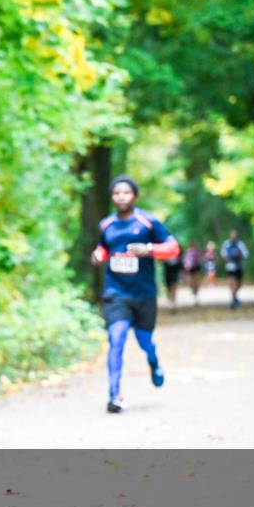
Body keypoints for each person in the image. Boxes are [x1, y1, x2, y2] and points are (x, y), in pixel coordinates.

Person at [91, 177, 180, 413]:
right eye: (116, 193)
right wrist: (99, 255)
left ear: (135, 196)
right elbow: (102, 247)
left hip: (144, 294)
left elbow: (173, 248)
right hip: (116, 293)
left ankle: (153, 361)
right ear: (112, 197)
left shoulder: (148, 222)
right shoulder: (106, 225)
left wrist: (148, 249)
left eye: (126, 192)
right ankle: (115, 395)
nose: (121, 196)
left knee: (145, 341)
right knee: (116, 339)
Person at [221, 229, 249, 308]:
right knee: (231, 282)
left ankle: (235, 296)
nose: (233, 236)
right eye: (232, 234)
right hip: (230, 266)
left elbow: (246, 253)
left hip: (239, 266)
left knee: (239, 283)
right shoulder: (226, 243)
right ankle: (233, 299)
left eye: (235, 234)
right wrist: (228, 259)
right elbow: (223, 253)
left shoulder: (240, 244)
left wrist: (240, 258)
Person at [182, 240, 204, 304]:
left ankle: (195, 291)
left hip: (195, 267)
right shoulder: (189, 251)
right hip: (192, 268)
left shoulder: (195, 251)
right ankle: (194, 290)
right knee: (194, 280)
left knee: (195, 280)